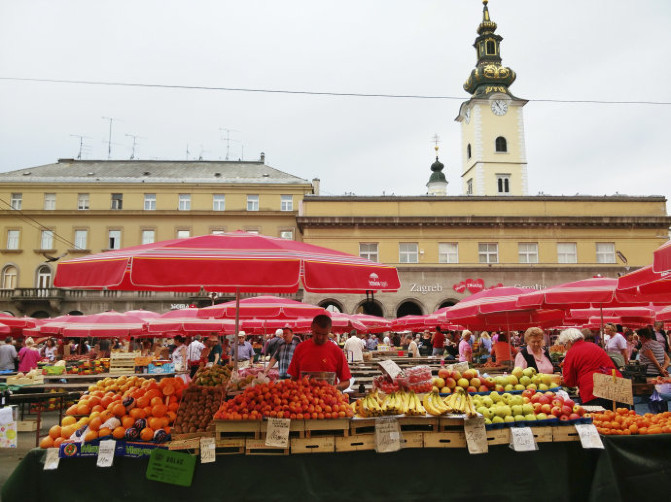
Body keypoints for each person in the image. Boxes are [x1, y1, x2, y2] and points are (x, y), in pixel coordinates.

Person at [558, 327, 621, 406]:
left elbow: (569, 381)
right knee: (622, 416)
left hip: (595, 391)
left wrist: (559, 381)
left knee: (599, 417)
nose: (565, 348)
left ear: (569, 342)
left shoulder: (571, 352)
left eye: (565, 345)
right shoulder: (594, 346)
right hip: (616, 383)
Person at [287, 314, 351, 391]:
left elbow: (346, 381)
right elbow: (293, 378)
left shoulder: (337, 351)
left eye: (324, 334)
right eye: (317, 333)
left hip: (328, 399)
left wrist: (335, 388)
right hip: (303, 399)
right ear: (312, 328)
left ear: (329, 331)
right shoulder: (300, 348)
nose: (320, 337)